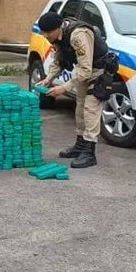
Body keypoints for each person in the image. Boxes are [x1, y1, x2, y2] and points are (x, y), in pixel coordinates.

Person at [35, 11, 109, 168]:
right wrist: (48, 80)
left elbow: (87, 69)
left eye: (48, 33)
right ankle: (80, 145)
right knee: (80, 108)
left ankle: (89, 153)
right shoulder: (59, 37)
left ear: (57, 28)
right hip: (82, 72)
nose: (46, 36)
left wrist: (64, 88)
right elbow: (59, 61)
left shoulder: (78, 35)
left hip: (97, 72)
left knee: (90, 110)